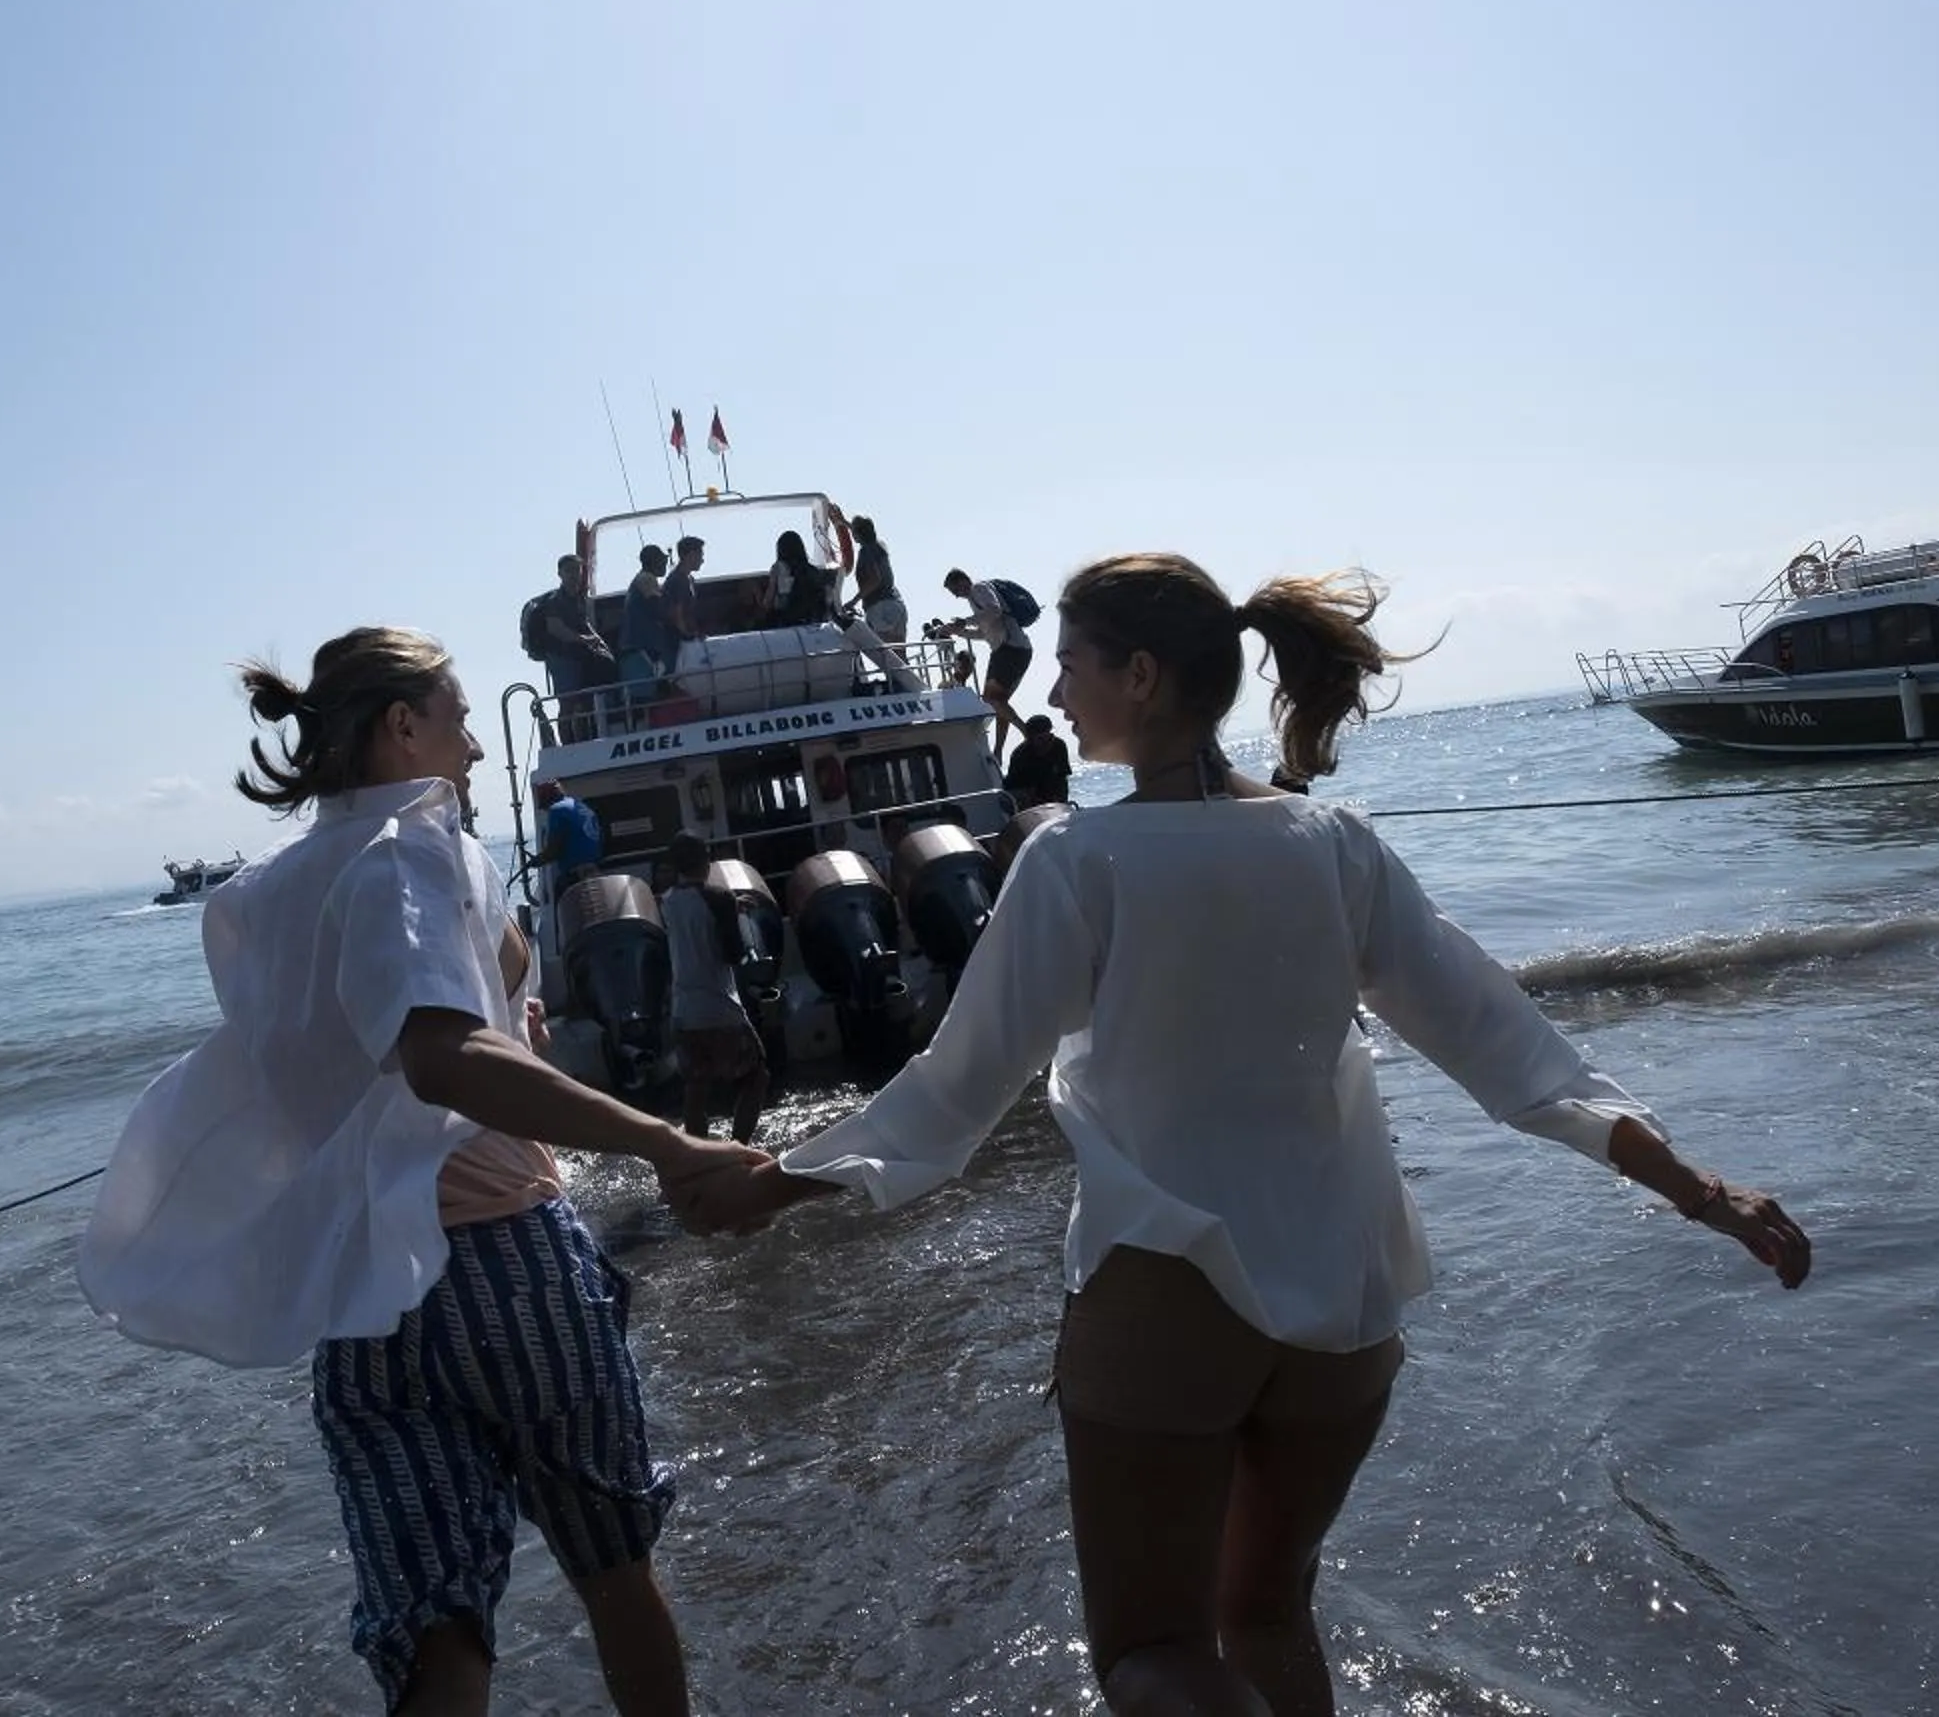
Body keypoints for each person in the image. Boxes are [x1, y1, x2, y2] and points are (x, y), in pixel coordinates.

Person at [694, 554, 1811, 1717]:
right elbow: (1506, 1044)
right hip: (1346, 1299)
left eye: (1070, 664)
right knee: (1268, 1614)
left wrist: (775, 1184)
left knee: (1149, 1654)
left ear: (1139, 673)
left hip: (1166, 1290)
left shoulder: (1078, 859)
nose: (1053, 692)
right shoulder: (1333, 842)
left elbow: (955, 1092)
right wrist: (1696, 1187)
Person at [77, 627, 769, 1717]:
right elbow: (443, 1053)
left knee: (436, 1628)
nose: (475, 753)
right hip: (501, 1268)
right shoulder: (415, 848)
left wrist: (505, 1016)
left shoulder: (260, 895)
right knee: (612, 1565)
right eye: (456, 721)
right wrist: (665, 1143)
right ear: (402, 728)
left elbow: (338, 1062)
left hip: (357, 1298)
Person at [659, 833, 769, 1145]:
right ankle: (739, 1148)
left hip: (683, 1012)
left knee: (697, 1085)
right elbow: (732, 954)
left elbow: (698, 918)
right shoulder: (720, 898)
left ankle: (699, 1154)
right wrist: (733, 911)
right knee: (757, 1075)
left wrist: (733, 908)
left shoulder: (667, 901)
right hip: (720, 1008)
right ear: (705, 860)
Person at [939, 567, 1037, 758]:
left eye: (955, 590)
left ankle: (1026, 733)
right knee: (999, 703)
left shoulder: (979, 589)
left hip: (1011, 648)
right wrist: (957, 631)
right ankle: (999, 751)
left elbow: (995, 611)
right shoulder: (973, 600)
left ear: (963, 580)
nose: (956, 596)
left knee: (992, 699)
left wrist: (964, 622)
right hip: (1004, 649)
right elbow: (983, 633)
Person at [535, 554, 617, 740]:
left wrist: (600, 643)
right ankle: (568, 744)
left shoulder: (577, 598)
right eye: (569, 570)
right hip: (562, 658)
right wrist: (584, 640)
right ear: (560, 573)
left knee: (585, 702)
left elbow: (585, 622)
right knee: (567, 704)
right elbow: (556, 629)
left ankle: (585, 738)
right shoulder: (555, 601)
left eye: (577, 570)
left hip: (581, 657)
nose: (574, 574)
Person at [617, 543, 674, 723]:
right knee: (643, 697)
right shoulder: (646, 579)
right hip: (640, 651)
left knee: (645, 695)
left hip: (640, 650)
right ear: (652, 561)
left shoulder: (642, 580)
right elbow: (657, 608)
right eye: (662, 560)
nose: (665, 564)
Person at [844, 514, 908, 642]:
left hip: (880, 608)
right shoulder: (879, 545)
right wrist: (843, 522)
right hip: (896, 606)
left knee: (887, 656)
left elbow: (875, 579)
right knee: (900, 655)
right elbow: (860, 532)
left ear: (857, 533)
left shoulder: (866, 551)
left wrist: (853, 601)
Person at [528, 780, 605, 883]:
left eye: (545, 806)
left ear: (548, 799)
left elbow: (553, 852)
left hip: (578, 876)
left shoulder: (557, 810)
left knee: (559, 890)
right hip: (596, 871)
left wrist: (535, 861)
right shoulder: (581, 805)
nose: (546, 810)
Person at [761, 530, 833, 630]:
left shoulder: (778, 568)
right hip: (812, 622)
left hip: (786, 622)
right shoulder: (812, 571)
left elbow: (767, 603)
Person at [1003, 714, 1074, 809]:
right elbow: (1019, 787)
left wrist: (1062, 803)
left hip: (1048, 792)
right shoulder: (1020, 755)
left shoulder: (1059, 746)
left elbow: (1062, 778)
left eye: (1049, 738)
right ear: (1030, 739)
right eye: (1040, 739)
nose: (1046, 744)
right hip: (1022, 792)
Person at [664, 536, 709, 652]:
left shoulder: (689, 579)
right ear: (691, 555)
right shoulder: (677, 580)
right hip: (680, 644)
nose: (702, 560)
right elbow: (677, 614)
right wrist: (689, 637)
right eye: (700, 555)